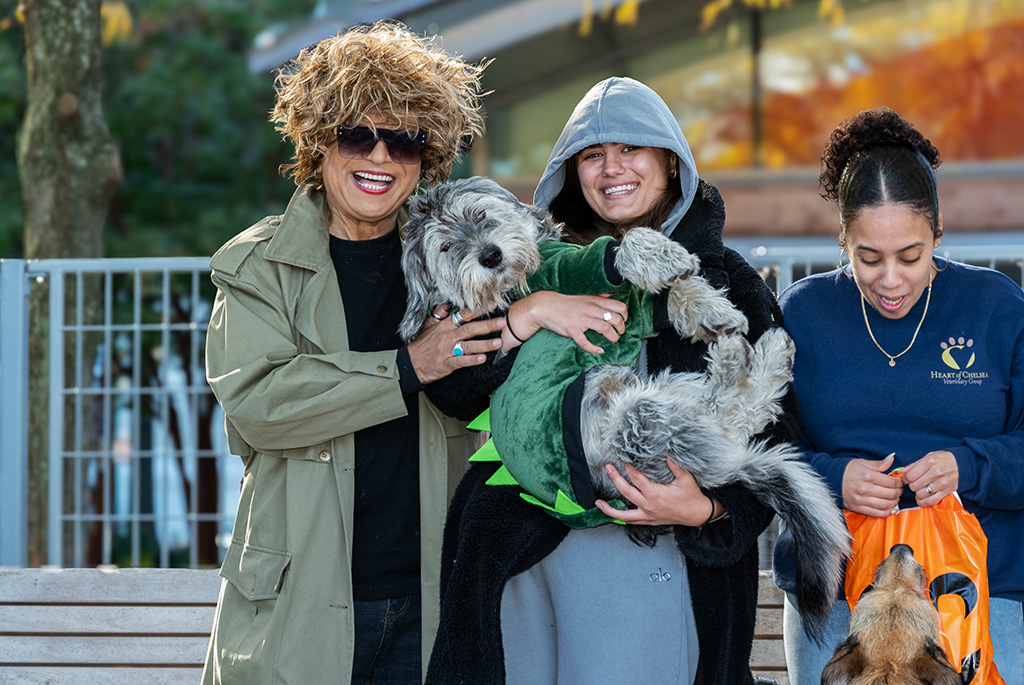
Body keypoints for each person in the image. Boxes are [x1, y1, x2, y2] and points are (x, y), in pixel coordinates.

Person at [425, 76, 799, 684]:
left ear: (671, 164)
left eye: (631, 149)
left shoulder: (728, 278)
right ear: (572, 174)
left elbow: (778, 428)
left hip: (664, 556)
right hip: (531, 560)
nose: (611, 169)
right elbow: (451, 389)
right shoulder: (527, 262)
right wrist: (529, 314)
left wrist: (708, 510)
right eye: (593, 156)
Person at [200, 22, 505, 684]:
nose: (381, 155)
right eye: (357, 134)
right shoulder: (258, 266)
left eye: (404, 139)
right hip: (294, 601)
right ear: (319, 141)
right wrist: (407, 366)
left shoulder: (460, 261)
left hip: (433, 598)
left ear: (427, 157)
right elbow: (260, 403)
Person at [774, 107, 1024, 684]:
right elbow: (763, 451)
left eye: (911, 256)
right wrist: (834, 478)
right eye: (868, 258)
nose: (891, 280)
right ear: (842, 240)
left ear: (939, 234)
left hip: (983, 585)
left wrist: (970, 466)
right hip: (838, 591)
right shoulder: (802, 314)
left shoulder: (996, 307)